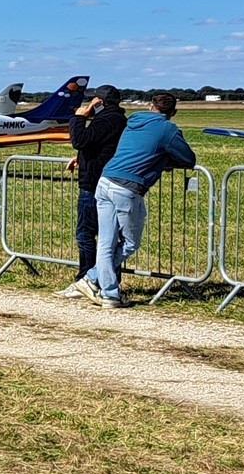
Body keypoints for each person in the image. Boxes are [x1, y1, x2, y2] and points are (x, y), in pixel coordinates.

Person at [78, 93, 197, 308]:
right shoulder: (168, 129)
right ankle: (102, 286)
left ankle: (101, 287)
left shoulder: (132, 122)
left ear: (151, 107)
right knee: (130, 243)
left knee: (105, 243)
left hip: (105, 181)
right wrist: (163, 160)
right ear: (173, 112)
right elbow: (188, 159)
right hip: (127, 188)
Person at [59, 85, 127, 298]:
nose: (89, 104)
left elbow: (80, 139)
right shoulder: (114, 120)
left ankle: (87, 280)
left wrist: (79, 118)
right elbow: (97, 145)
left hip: (95, 185)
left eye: (93, 101)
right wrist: (81, 158)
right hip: (100, 179)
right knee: (105, 236)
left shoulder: (108, 120)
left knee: (88, 234)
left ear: (100, 102)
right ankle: (100, 280)